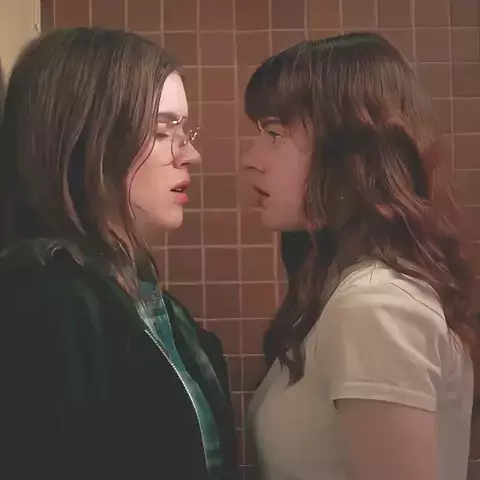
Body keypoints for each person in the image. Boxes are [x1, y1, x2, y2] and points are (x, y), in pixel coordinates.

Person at [0, 27, 236, 480]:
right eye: (163, 131)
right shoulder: (48, 303)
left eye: (184, 130)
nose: (190, 154)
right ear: (86, 139)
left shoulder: (151, 301)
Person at [241, 32, 476, 480]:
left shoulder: (376, 306)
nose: (250, 159)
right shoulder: (351, 290)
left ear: (350, 150)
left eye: (273, 134)